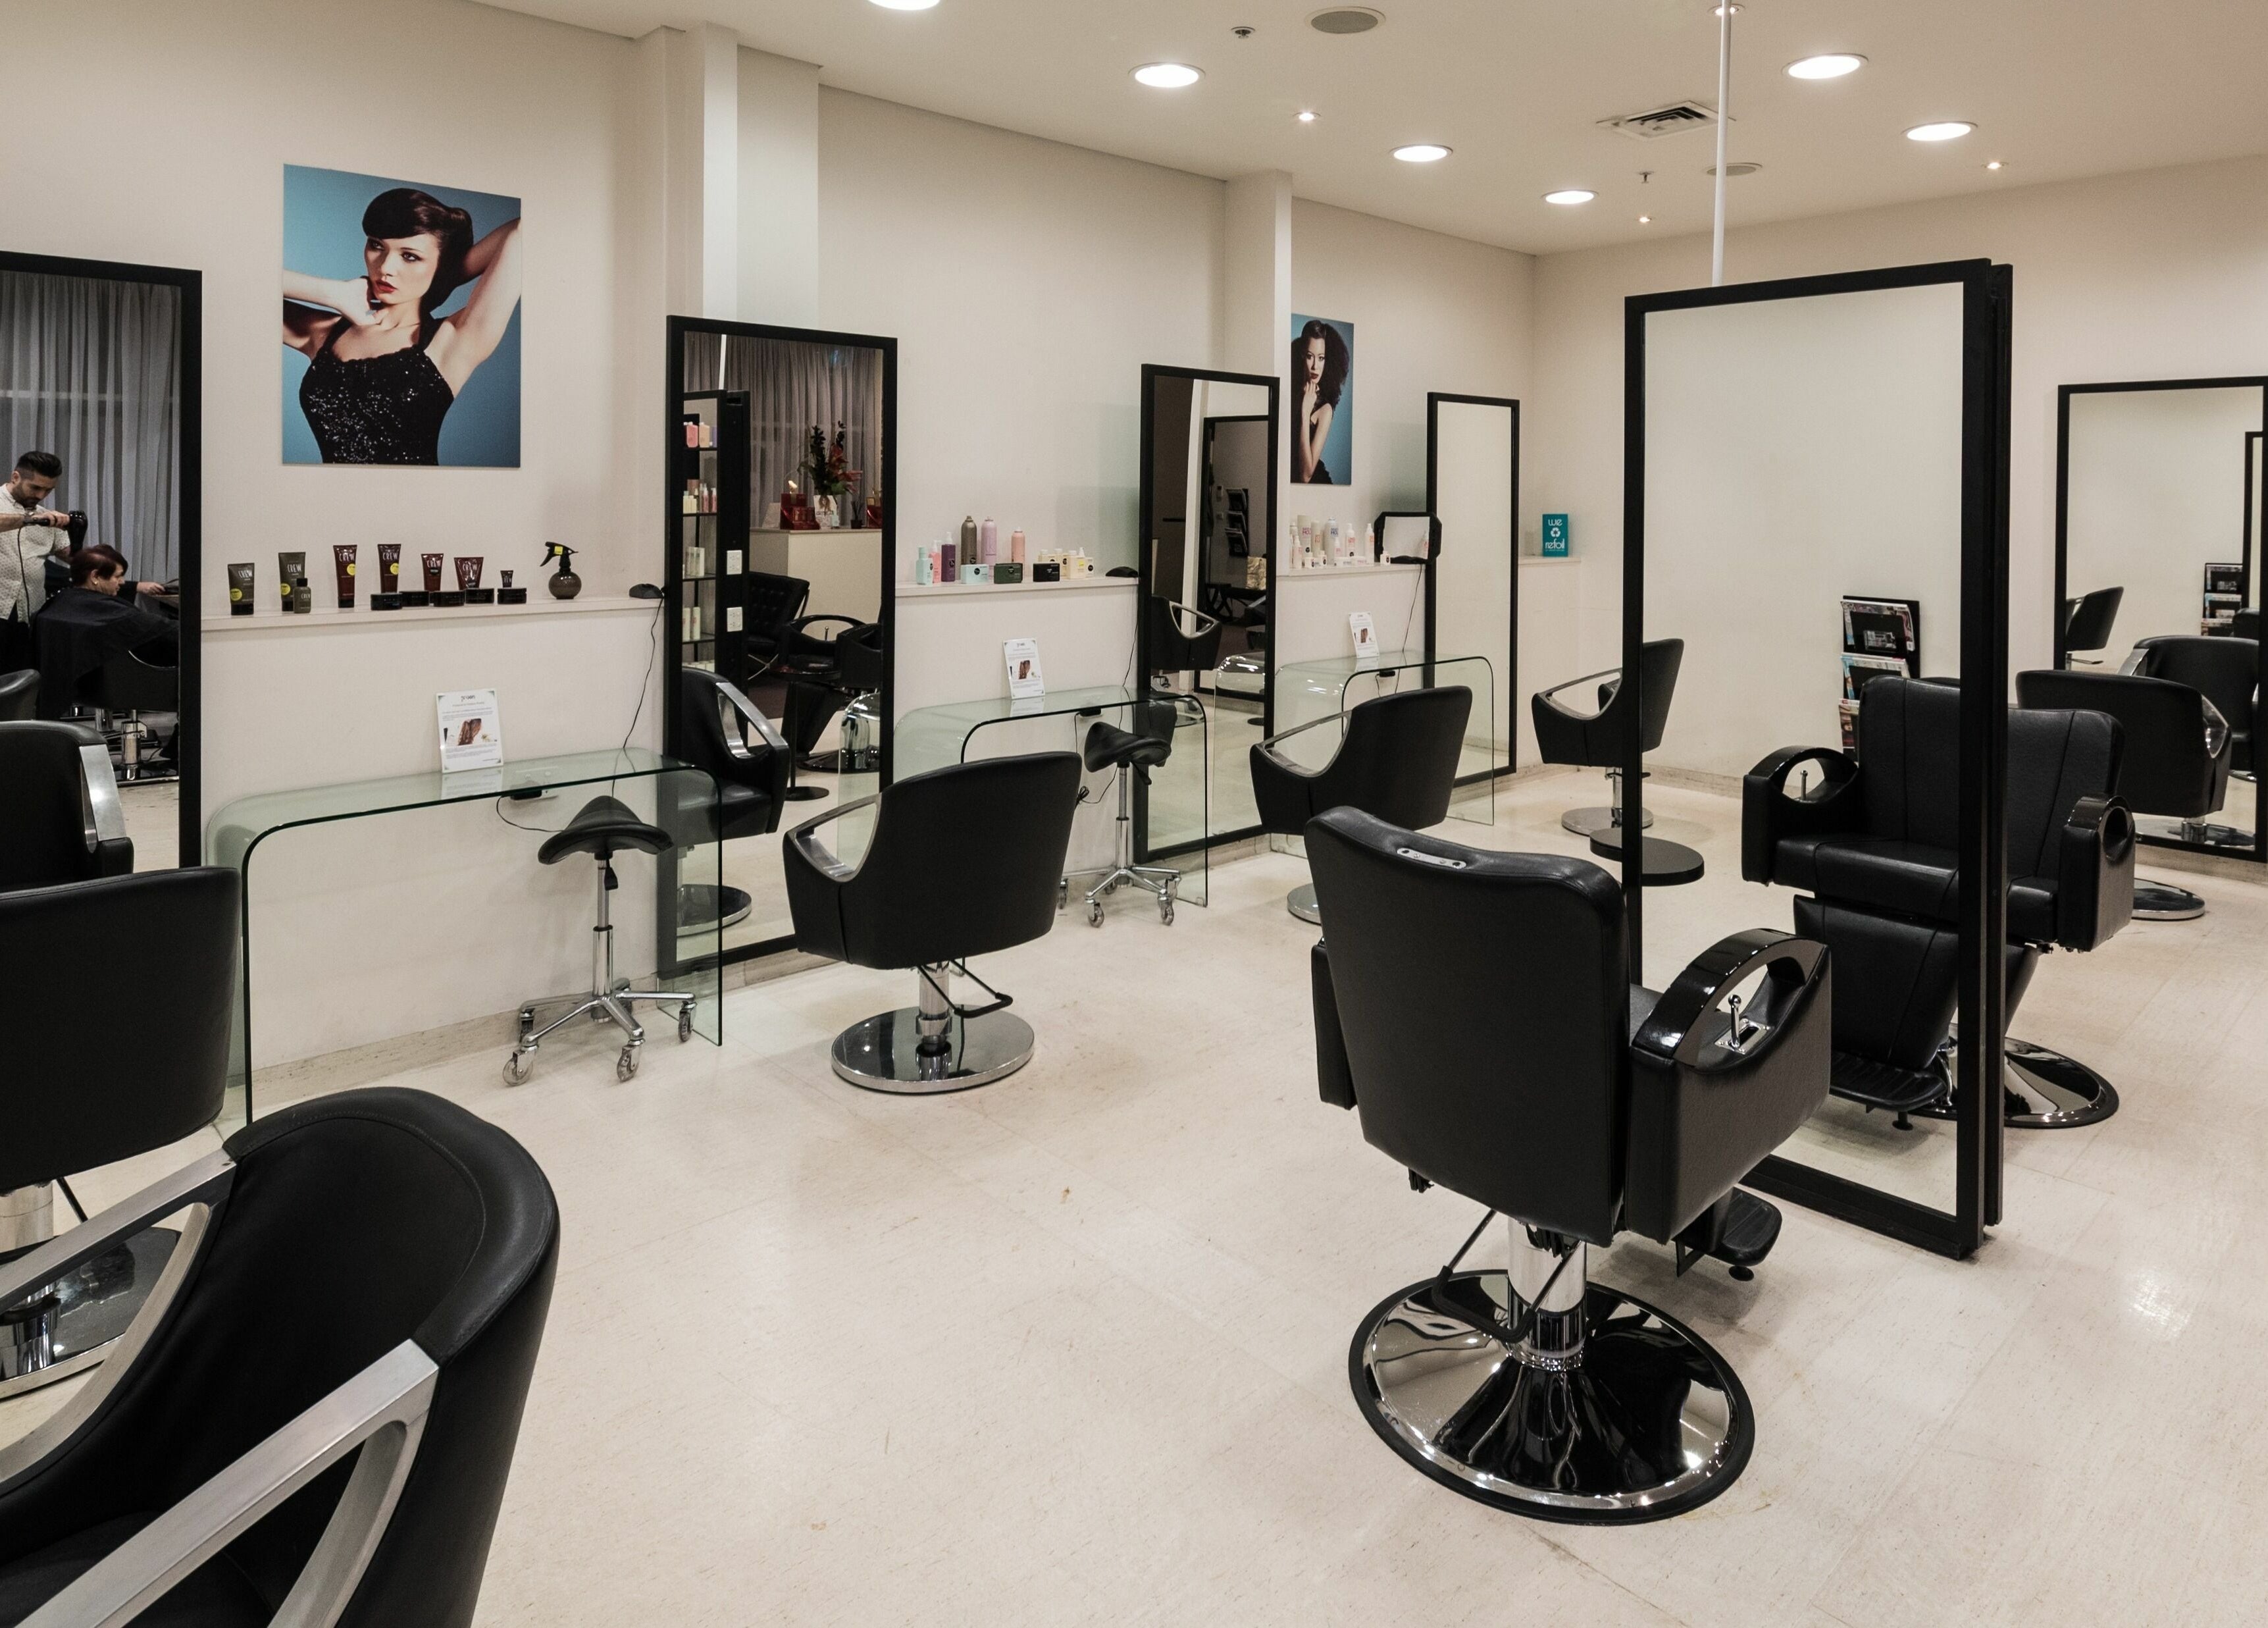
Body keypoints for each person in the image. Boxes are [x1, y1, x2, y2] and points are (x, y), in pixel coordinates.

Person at [283, 187, 523, 465]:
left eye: (409, 256)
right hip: (332, 504)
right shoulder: (326, 333)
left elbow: (523, 231)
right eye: (376, 245)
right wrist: (332, 293)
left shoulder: (453, 341)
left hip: (416, 504)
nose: (385, 267)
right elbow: (246, 285)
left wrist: (443, 277)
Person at [32, 544, 178, 720]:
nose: (122, 582)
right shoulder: (109, 614)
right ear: (95, 577)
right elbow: (164, 631)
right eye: (118, 576)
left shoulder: (62, 603)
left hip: (92, 688)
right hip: (131, 684)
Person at [1, 451, 76, 671]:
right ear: (16, 477)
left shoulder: (45, 518)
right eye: (35, 488)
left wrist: (76, 532)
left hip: (29, 614)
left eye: (48, 490)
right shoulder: (36, 518)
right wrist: (30, 520)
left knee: (20, 683)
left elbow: (73, 557)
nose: (41, 495)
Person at [1291, 319, 1350, 485]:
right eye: (1310, 357)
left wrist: (1305, 411)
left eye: (1321, 358)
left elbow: (1306, 475)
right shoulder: (1289, 392)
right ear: (1303, 356)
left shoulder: (1325, 409)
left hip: (1316, 487)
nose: (1315, 366)